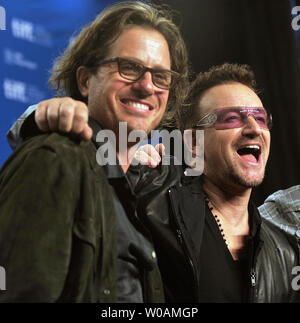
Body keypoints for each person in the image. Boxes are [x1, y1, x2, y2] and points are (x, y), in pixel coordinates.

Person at [17, 63, 300, 303]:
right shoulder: (150, 198)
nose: (253, 129)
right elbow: (73, 166)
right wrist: (46, 116)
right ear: (192, 144)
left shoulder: (283, 248)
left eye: (261, 119)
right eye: (231, 118)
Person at [0, 1, 190, 302]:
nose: (147, 86)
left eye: (161, 76)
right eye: (129, 67)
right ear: (85, 80)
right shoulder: (55, 160)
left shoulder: (148, 185)